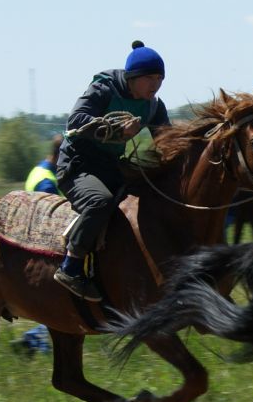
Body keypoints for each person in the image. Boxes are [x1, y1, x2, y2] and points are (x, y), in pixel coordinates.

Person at [53, 42, 171, 301]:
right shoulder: (103, 88)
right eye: (150, 78)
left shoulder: (153, 106)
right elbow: (76, 120)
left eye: (160, 78)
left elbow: (168, 142)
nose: (156, 84)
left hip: (110, 167)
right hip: (77, 166)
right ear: (132, 78)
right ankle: (71, 267)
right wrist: (118, 131)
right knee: (100, 202)